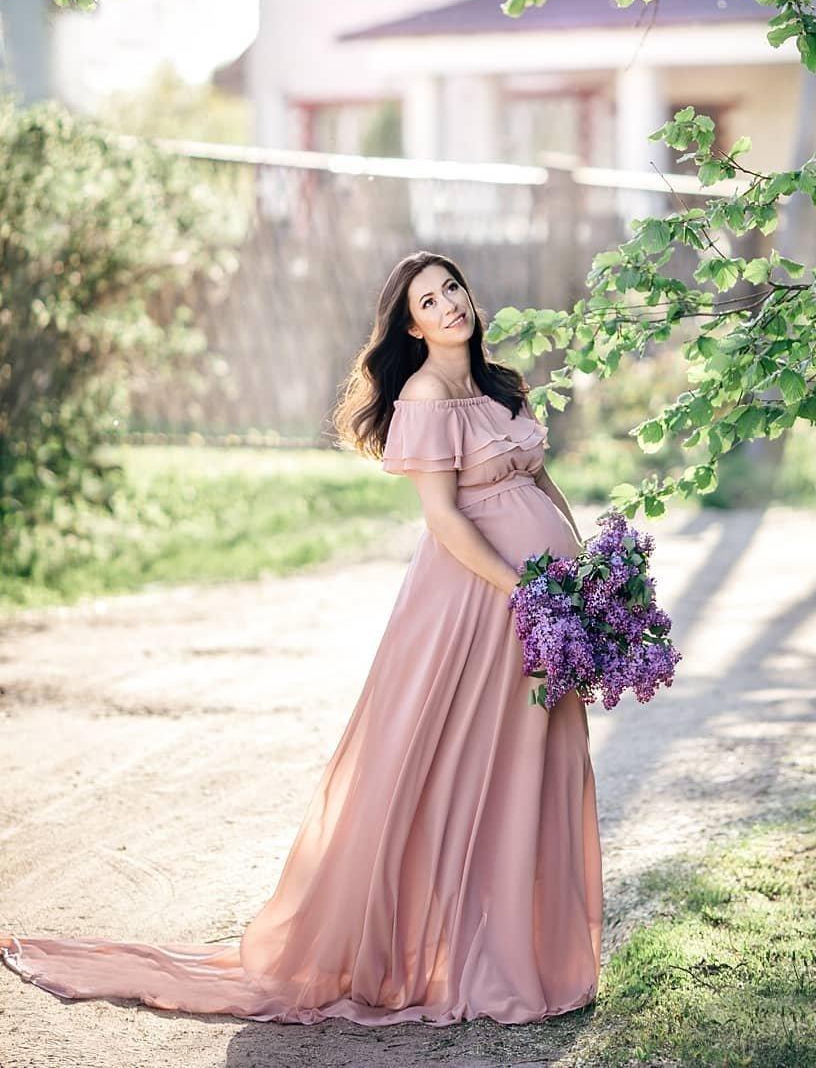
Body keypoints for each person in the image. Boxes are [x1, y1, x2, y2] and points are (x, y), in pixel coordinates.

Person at [0, 251, 604, 1027]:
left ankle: (524, 950)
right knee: (457, 766)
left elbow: (540, 483)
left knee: (534, 762)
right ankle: (452, 957)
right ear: (411, 325)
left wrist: (582, 573)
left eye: (452, 287)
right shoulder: (423, 393)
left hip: (547, 608)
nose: (450, 304)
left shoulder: (503, 383)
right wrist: (525, 590)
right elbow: (445, 520)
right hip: (476, 605)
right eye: (429, 299)